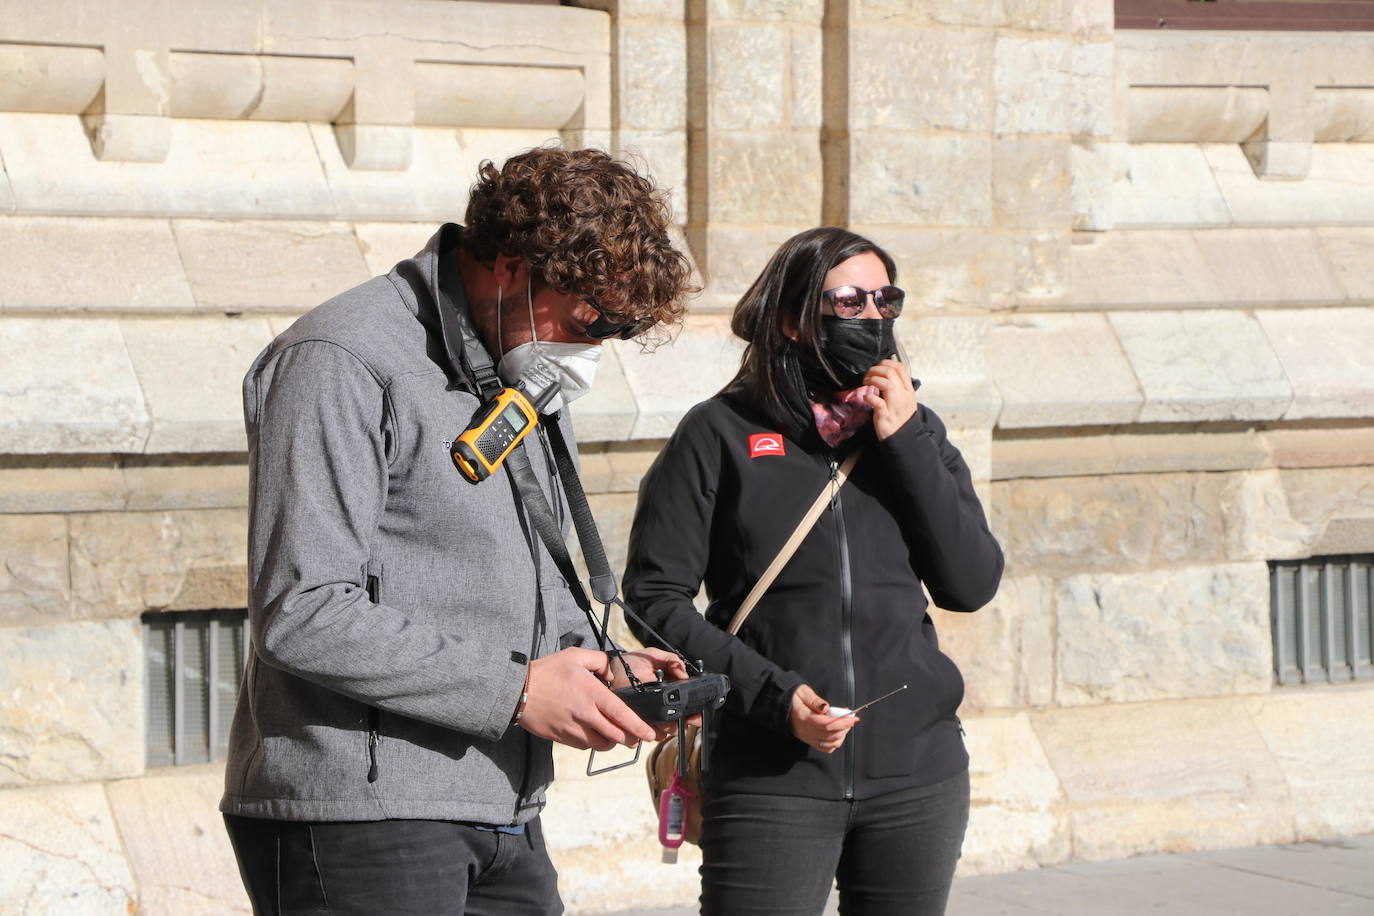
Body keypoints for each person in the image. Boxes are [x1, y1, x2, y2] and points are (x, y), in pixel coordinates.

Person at [220, 147, 696, 915]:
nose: (596, 345)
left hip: (503, 806)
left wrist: (601, 664)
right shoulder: (337, 359)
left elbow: (519, 573)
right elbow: (301, 612)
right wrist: (514, 691)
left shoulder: (519, 362)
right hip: (360, 818)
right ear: (509, 264)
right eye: (590, 319)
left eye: (620, 328)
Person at [623, 226, 1004, 915]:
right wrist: (772, 696)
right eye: (850, 302)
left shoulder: (915, 433)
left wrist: (906, 442)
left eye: (886, 300)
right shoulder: (718, 434)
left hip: (918, 773)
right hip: (772, 775)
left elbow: (971, 584)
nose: (873, 317)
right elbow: (655, 599)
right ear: (796, 319)